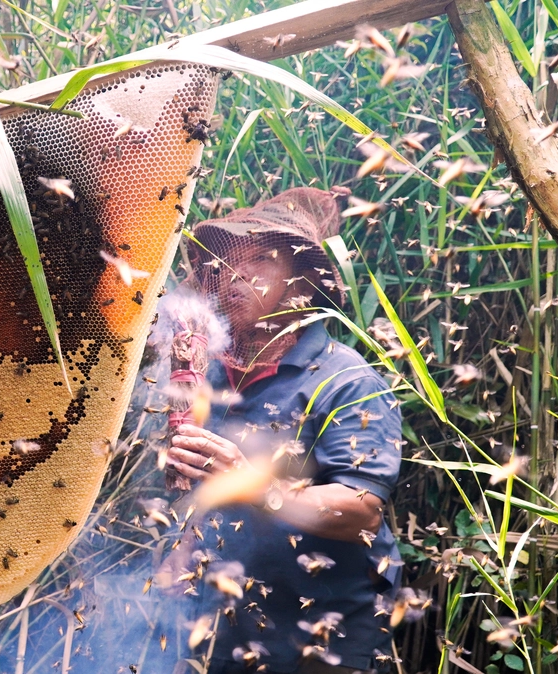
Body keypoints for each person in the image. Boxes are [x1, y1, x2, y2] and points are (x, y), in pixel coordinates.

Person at [160, 188, 404, 673]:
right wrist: (178, 550)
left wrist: (254, 483)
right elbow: (197, 489)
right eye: (224, 263)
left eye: (261, 260)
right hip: (228, 629)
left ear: (304, 284)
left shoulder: (346, 382)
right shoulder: (206, 379)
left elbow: (362, 512)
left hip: (324, 636)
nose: (232, 277)